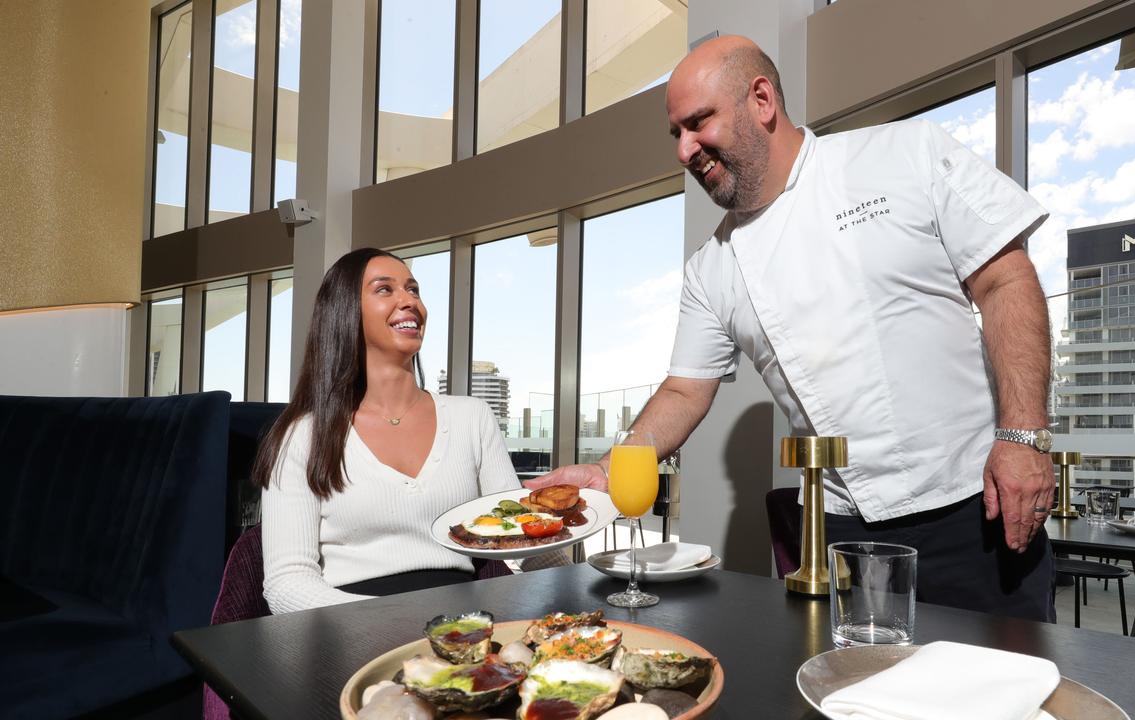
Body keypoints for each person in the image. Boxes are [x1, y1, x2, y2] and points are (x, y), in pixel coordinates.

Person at [530, 36, 1058, 621]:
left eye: (697, 122)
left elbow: (1005, 282)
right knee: (853, 701)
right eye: (675, 133)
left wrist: (1023, 437)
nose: (684, 150)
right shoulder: (713, 266)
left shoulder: (903, 154)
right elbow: (684, 390)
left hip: (974, 503)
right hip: (835, 528)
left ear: (761, 100)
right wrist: (610, 471)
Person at [255, 248, 561, 614]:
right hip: (350, 631)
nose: (409, 301)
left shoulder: (472, 417)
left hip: (465, 629)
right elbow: (287, 584)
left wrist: (574, 590)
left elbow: (519, 537)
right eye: (385, 290)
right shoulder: (302, 436)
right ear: (345, 312)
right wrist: (395, 624)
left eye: (413, 290)